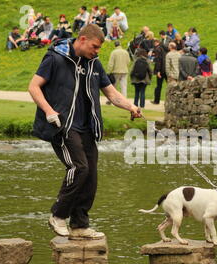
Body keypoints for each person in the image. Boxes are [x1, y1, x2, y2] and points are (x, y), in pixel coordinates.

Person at [28, 24, 142, 239]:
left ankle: (80, 226)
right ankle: (58, 215)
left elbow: (111, 93)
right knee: (78, 167)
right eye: (95, 46)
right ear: (81, 40)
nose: (97, 51)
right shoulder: (55, 58)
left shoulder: (94, 65)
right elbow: (34, 86)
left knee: (90, 175)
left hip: (87, 127)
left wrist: (131, 107)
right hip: (62, 125)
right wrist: (49, 111)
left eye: (99, 48)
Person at [151, 39, 167, 104]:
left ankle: (156, 100)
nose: (154, 44)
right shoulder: (163, 48)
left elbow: (158, 61)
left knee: (158, 86)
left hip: (161, 70)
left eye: (154, 42)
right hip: (165, 69)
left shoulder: (157, 49)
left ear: (157, 42)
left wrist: (158, 71)